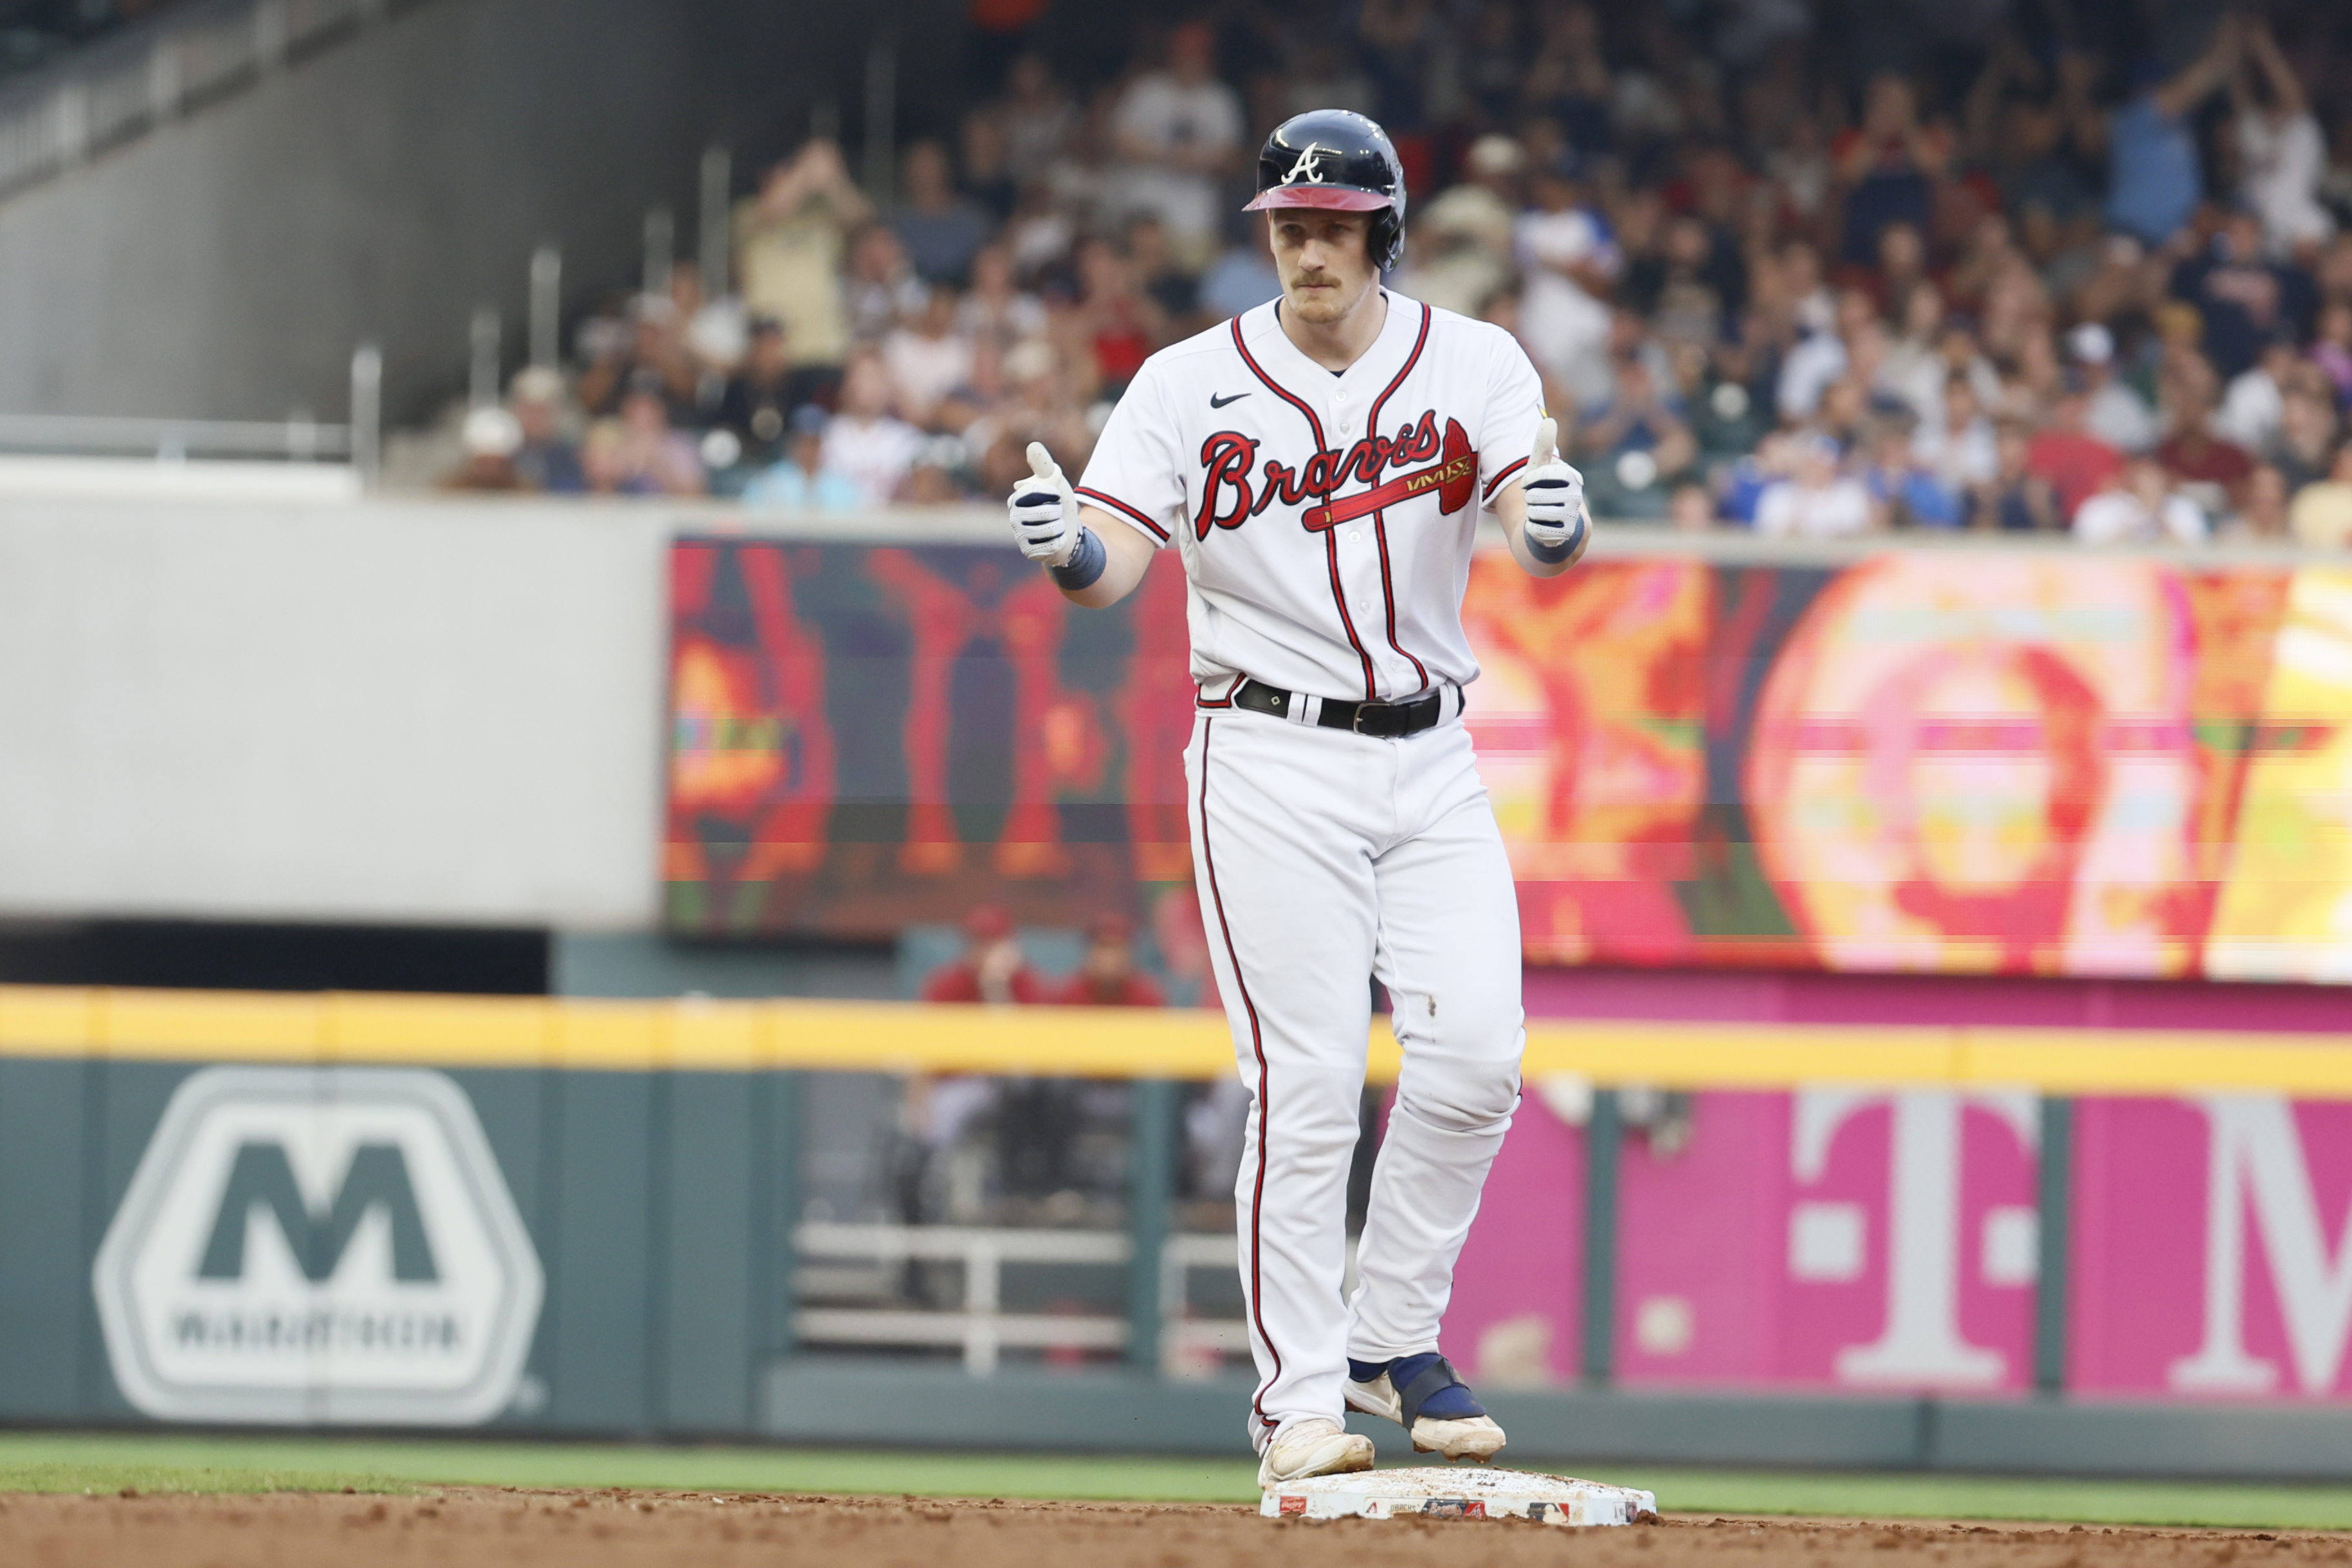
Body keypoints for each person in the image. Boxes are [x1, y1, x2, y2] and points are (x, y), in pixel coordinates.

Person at [1003, 109, 1576, 1486]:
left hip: (1430, 751)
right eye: (1286, 223)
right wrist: (1067, 549)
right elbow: (1114, 568)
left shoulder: (1474, 359)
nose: (1306, 244)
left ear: (1381, 228)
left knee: (1478, 1059)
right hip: (1267, 751)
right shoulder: (1187, 381)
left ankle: (1389, 1337)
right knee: (1308, 1083)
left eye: (1329, 222)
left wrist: (1554, 520)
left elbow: (1532, 512)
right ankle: (1297, 1401)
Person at [1111, 21, 1245, 269]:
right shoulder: (1148, 90)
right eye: (1185, 52)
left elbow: (1233, 158)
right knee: (1140, 279)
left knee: (1186, 285)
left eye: (1197, 54)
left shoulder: (1221, 100)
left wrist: (1195, 160)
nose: (1191, 60)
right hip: (1145, 208)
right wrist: (1168, 154)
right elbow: (1120, 141)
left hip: (1195, 217)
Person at [736, 140, 871, 374]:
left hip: (824, 348)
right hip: (772, 351)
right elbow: (773, 209)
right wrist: (807, 169)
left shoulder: (822, 217)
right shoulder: (747, 213)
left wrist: (834, 180)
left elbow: (863, 220)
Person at [919, 905, 1047, 1003]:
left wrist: (996, 986)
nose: (984, 953)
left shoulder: (1028, 984)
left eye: (991, 945)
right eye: (976, 943)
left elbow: (1021, 1033)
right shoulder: (948, 984)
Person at [2073, 455, 2207, 545]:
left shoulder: (2184, 507)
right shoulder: (2100, 507)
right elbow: (2083, 548)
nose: (2147, 481)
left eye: (2153, 475)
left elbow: (2199, 551)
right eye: (2140, 474)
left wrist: (2160, 519)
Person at [1051, 915, 1167, 1007]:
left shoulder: (1147, 997)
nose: (1110, 958)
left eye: (1117, 948)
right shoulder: (1068, 995)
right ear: (1089, 953)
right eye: (1104, 947)